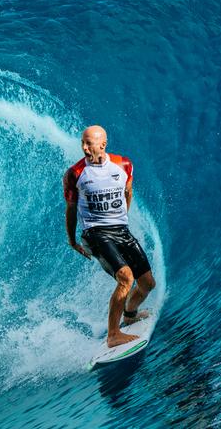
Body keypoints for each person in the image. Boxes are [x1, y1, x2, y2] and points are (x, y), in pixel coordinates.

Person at [63, 125, 156, 347]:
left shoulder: (123, 165)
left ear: (103, 145)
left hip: (120, 230)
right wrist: (73, 240)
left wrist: (121, 219)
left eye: (89, 143)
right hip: (95, 233)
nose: (84, 148)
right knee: (126, 278)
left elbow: (128, 192)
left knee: (147, 284)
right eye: (82, 143)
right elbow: (70, 208)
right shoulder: (75, 173)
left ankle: (130, 314)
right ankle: (113, 334)